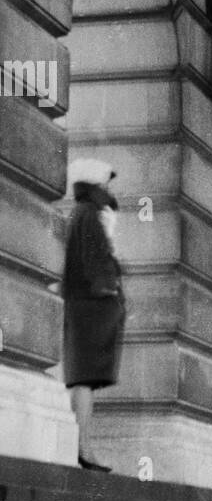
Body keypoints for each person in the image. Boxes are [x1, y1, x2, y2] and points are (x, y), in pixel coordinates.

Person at [62, 158, 126, 472]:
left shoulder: (84, 213)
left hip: (85, 308)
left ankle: (82, 447)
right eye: (105, 183)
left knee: (82, 380)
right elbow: (95, 264)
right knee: (84, 379)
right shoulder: (89, 214)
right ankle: (83, 448)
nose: (108, 188)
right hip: (90, 310)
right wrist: (112, 291)